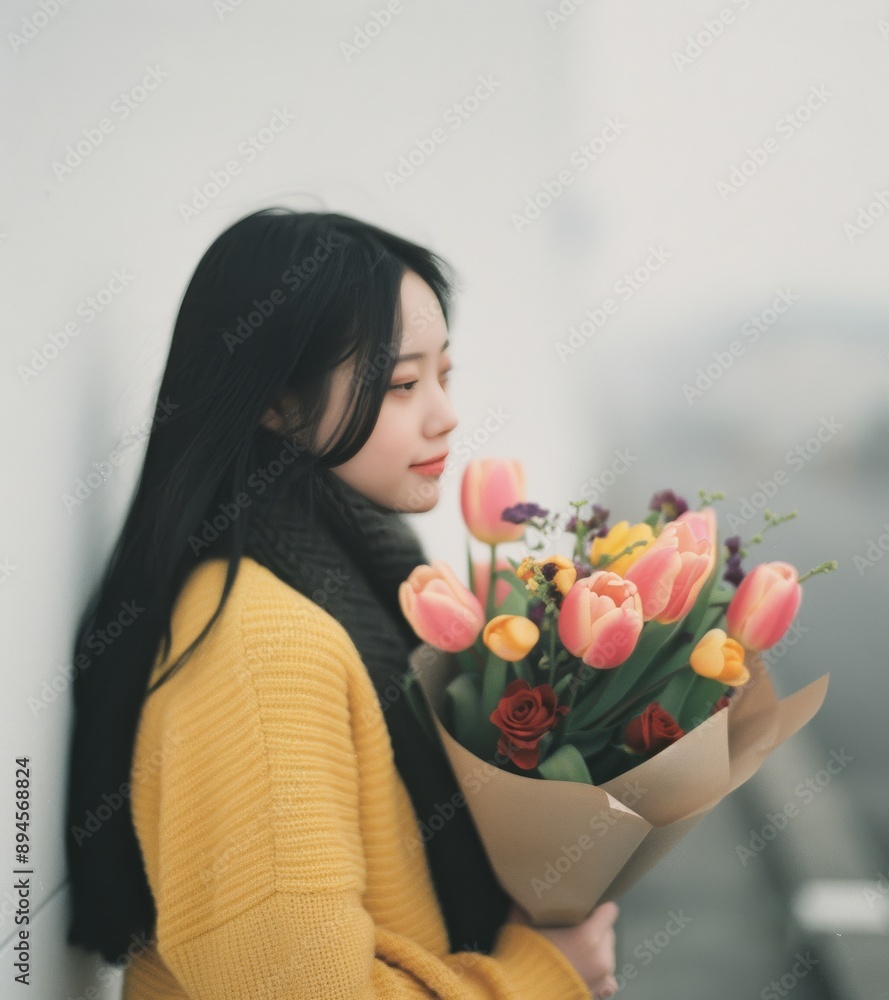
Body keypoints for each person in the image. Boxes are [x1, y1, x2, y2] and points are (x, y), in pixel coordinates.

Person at [63, 207, 619, 998]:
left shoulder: (358, 583)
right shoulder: (266, 649)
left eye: (444, 373)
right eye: (399, 384)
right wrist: (537, 977)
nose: (443, 413)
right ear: (275, 404)